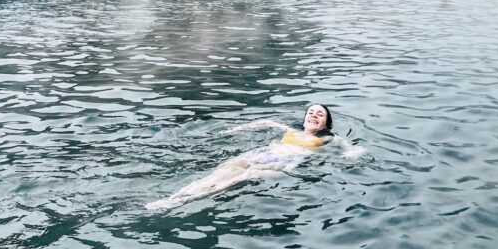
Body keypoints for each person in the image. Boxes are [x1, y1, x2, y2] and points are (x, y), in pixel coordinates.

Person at [145, 104, 357, 211]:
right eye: (311, 112)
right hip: (259, 153)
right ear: (303, 121)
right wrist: (236, 129)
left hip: (280, 163)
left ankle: (184, 202)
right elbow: (266, 122)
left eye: (320, 114)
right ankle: (173, 197)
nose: (313, 115)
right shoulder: (292, 132)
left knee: (239, 178)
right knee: (217, 174)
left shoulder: (330, 138)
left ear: (326, 125)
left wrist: (352, 154)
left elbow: (350, 148)